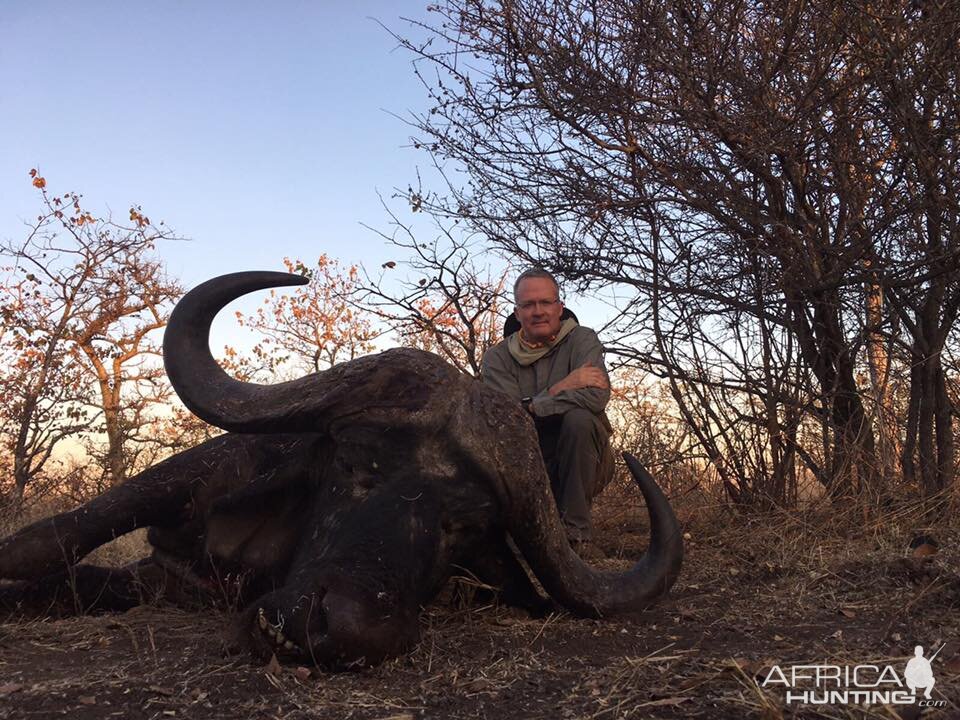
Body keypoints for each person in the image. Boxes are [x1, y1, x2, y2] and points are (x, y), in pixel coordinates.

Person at [481, 268, 613, 558]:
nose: (537, 311)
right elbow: (505, 422)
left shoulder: (582, 340)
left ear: (559, 307)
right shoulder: (496, 358)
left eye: (545, 303)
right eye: (528, 305)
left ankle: (577, 536)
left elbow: (595, 396)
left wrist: (530, 406)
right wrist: (561, 388)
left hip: (584, 460)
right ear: (517, 313)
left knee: (579, 420)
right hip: (525, 461)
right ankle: (520, 533)